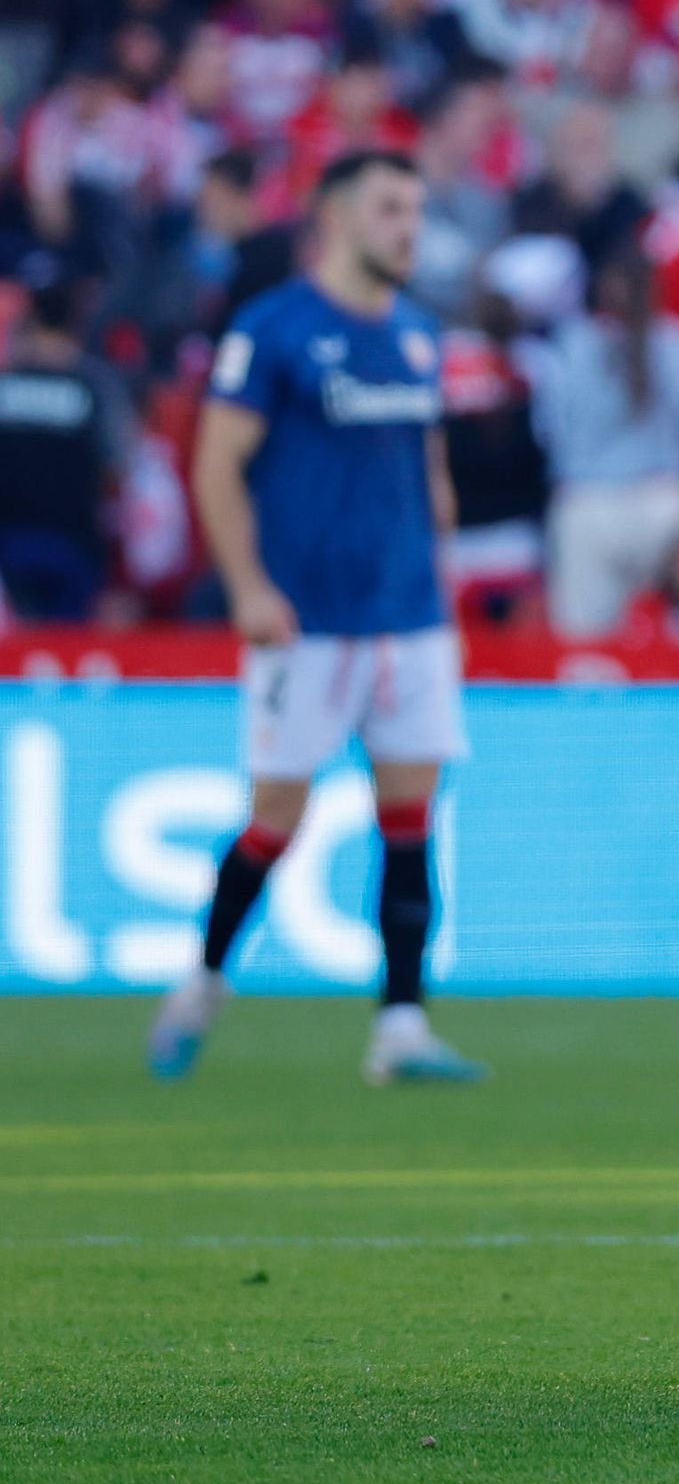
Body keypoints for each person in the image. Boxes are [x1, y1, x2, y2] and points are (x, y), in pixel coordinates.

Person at [148, 151, 484, 1089]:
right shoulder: (275, 329)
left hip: (408, 619)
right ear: (336, 218)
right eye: (389, 208)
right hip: (309, 623)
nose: (409, 227)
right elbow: (216, 465)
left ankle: (402, 1026)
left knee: (412, 813)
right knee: (277, 818)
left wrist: (439, 562)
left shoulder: (418, 335)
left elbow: (426, 470)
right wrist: (249, 586)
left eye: (417, 209)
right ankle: (205, 981)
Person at [535, 243, 679, 637]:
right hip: (665, 504)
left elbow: (549, 429)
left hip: (589, 507)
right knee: (667, 641)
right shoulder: (677, 344)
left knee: (585, 652)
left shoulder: (572, 343)